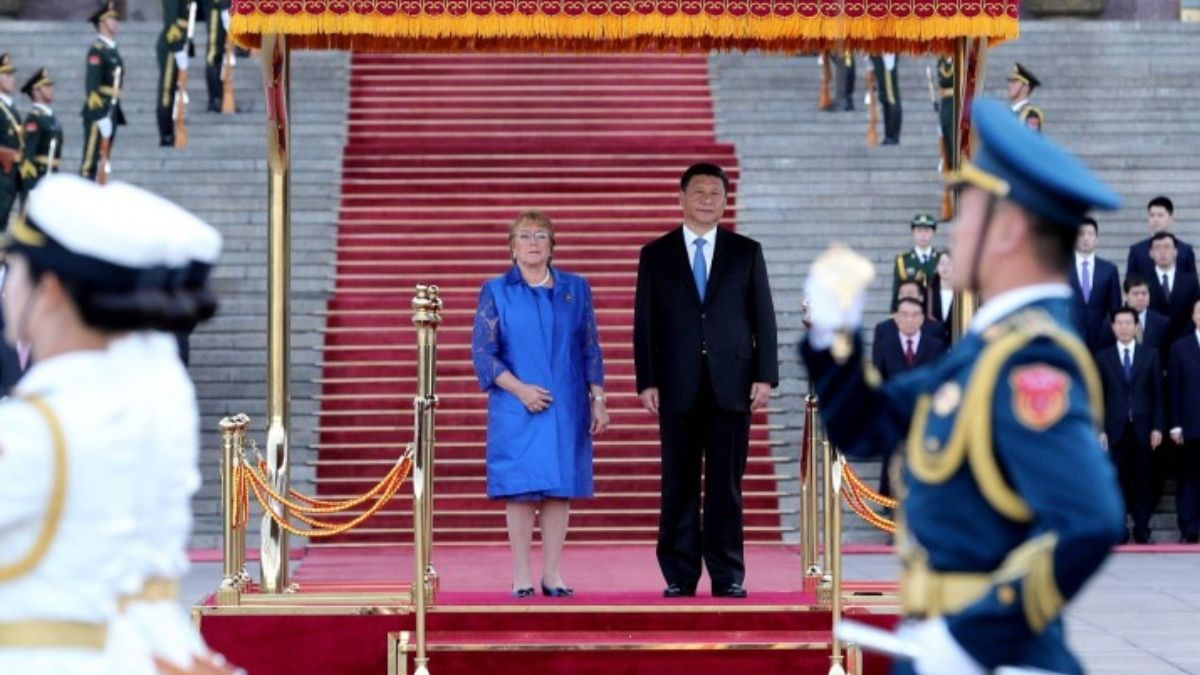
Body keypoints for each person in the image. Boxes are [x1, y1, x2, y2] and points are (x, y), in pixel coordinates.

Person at [801, 97, 1124, 674]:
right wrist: (833, 339)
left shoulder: (1032, 359)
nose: (952, 229)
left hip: (992, 657)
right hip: (940, 645)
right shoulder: (987, 348)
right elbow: (867, 427)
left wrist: (971, 638)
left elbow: (1092, 520)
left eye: (965, 210)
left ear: (1009, 230)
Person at [0, 175, 229, 673]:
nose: (6, 287)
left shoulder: (35, 429)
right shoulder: (157, 396)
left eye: (13, 269)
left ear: (50, 289)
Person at [634, 162, 777, 599]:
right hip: (675, 385)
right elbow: (645, 323)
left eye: (716, 193)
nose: (707, 200)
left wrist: (765, 375)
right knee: (677, 484)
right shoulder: (656, 254)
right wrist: (647, 380)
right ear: (681, 198)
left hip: (732, 384)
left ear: (726, 201)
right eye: (698, 192)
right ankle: (679, 574)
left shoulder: (746, 252)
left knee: (725, 487)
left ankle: (727, 574)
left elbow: (763, 317)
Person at [472, 210, 608, 598]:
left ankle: (551, 573)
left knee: (559, 488)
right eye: (525, 235)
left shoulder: (576, 288)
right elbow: (483, 352)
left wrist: (598, 398)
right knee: (520, 489)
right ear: (512, 247)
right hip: (516, 405)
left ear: (552, 245)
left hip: (566, 402)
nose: (533, 242)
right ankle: (521, 574)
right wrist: (520, 390)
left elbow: (590, 346)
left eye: (541, 235)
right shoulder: (496, 290)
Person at [1096, 307, 1164, 544]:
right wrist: (1099, 429)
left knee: (1144, 479)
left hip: (1144, 429)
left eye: (1128, 323)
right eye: (1120, 323)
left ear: (1136, 326)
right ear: (1113, 327)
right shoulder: (1102, 357)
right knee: (1117, 480)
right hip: (1114, 430)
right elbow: (1097, 396)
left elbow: (1158, 394)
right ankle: (1120, 528)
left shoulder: (1151, 354)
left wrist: (1158, 427)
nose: (1124, 327)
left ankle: (1142, 528)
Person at [81, 2, 125, 180]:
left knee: (103, 159)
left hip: (111, 107)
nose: (116, 22)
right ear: (101, 23)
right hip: (100, 109)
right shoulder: (97, 50)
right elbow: (92, 88)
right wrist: (99, 115)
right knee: (91, 160)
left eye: (116, 19)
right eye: (111, 19)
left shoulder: (112, 50)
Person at [1169, 298, 1200, 544]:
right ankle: (1189, 527)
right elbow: (1174, 389)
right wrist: (1175, 424)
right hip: (1190, 425)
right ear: (1193, 316)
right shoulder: (1180, 347)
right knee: (1189, 479)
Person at [1068, 216, 1121, 353]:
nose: (1086, 238)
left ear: (1096, 239)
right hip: (1071, 337)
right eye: (1081, 234)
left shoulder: (1109, 270)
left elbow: (1115, 309)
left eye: (1090, 234)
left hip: (1102, 340)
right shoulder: (1063, 268)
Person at [1145, 232, 1200, 349]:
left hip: (1184, 342)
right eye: (1157, 248)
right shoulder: (1144, 281)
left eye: (1167, 247)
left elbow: (1195, 310)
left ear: (1175, 251)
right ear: (1151, 253)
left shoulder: (1190, 281)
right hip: (1153, 343)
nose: (1162, 252)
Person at [1127, 196, 1196, 280]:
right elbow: (1130, 283)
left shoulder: (1185, 250)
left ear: (1170, 219)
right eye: (1152, 215)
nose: (1155, 219)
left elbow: (1193, 283)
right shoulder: (1137, 251)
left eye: (1160, 215)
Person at [18, 68, 63, 194]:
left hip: (51, 175)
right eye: (46, 87)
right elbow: (27, 155)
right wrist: (31, 186)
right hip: (39, 177)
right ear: (35, 91)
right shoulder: (35, 119)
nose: (51, 89)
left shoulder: (50, 117)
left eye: (50, 86)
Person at [890, 213, 942, 312]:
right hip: (912, 313)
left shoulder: (941, 259)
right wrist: (894, 312)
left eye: (927, 231)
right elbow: (897, 290)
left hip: (937, 312)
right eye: (919, 231)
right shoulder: (903, 261)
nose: (923, 235)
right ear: (913, 233)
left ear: (933, 233)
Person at [157, 0, 190, 147]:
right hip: (171, 45)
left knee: (172, 90)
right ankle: (167, 134)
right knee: (167, 91)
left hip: (180, 40)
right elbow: (171, 22)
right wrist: (177, 48)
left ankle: (170, 132)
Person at [0, 53, 22, 229]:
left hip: (11, 171)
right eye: (6, 75)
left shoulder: (10, 107)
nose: (11, 79)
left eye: (11, 75)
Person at [1124, 274, 1170, 353]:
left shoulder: (1162, 322)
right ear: (1126, 296)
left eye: (1144, 293)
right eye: (1135, 294)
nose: (1140, 298)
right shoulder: (1112, 322)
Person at [203, 0, 232, 113]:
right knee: (214, 53)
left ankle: (220, 96)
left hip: (226, 7)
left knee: (220, 53)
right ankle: (215, 98)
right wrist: (224, 6)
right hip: (216, 7)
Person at [870, 53, 902, 145]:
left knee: (892, 97)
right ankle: (888, 134)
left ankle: (893, 135)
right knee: (885, 98)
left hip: (887, 57)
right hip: (879, 56)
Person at [927, 251, 955, 343]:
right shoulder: (929, 291)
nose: (945, 267)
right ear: (937, 267)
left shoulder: (963, 294)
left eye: (949, 264)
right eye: (942, 263)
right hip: (933, 342)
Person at [1007, 62, 1043, 132]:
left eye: (1014, 82)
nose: (1010, 86)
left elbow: (1030, 138)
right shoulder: (1008, 112)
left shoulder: (1031, 114)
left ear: (1025, 87)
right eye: (1010, 82)